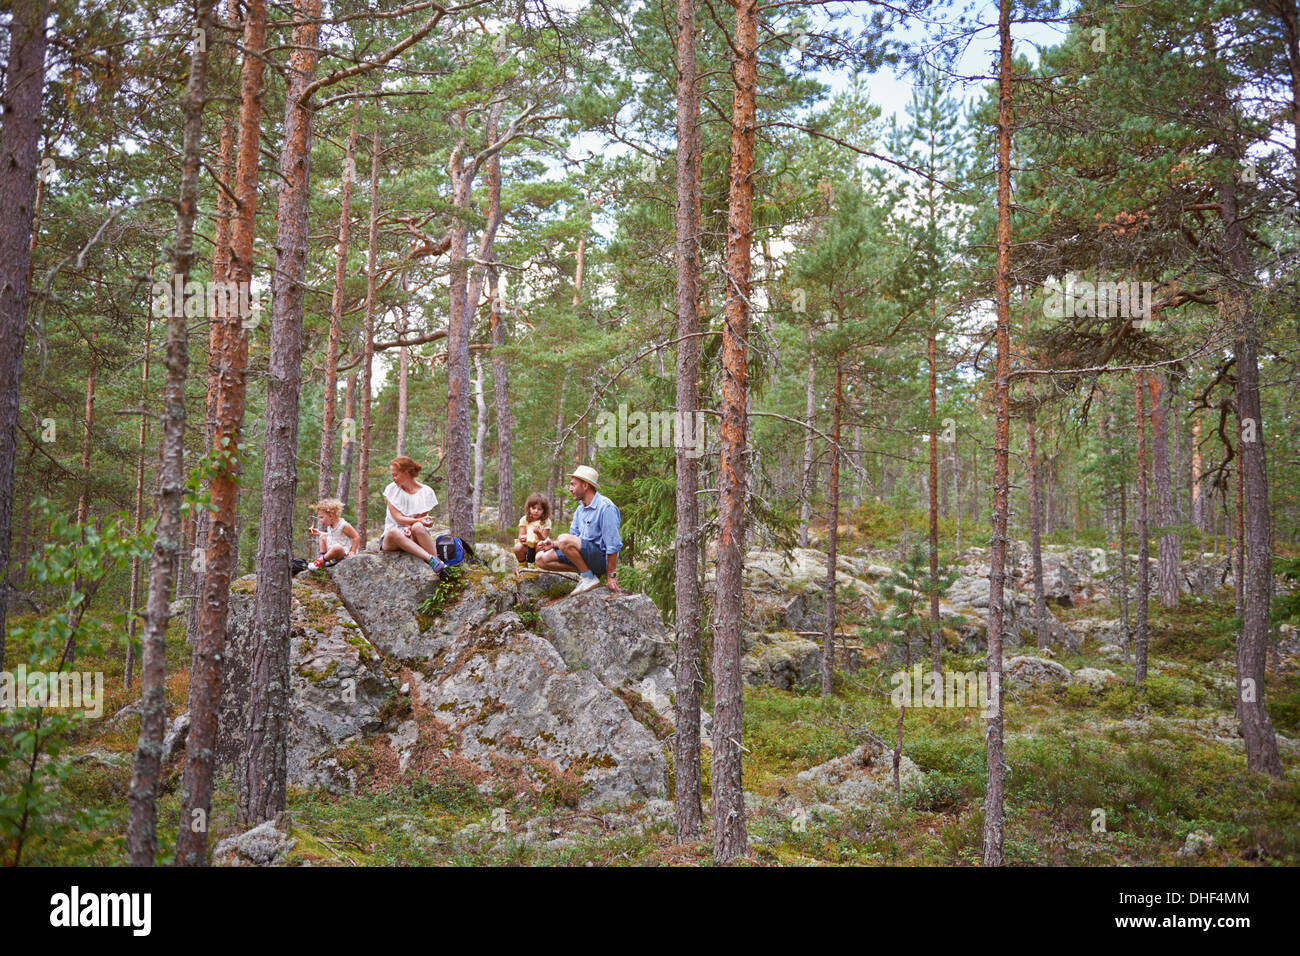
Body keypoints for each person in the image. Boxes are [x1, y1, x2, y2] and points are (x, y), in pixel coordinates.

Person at [535, 465, 622, 595]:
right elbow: (573, 541)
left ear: (585, 485)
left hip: (600, 559)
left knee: (563, 539)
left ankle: (588, 577)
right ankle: (588, 575)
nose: (570, 489)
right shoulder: (580, 509)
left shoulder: (606, 507)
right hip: (585, 554)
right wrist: (553, 544)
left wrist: (611, 576)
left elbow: (613, 545)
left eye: (573, 485)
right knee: (541, 558)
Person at [380, 454, 447, 576]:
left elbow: (419, 520)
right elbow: (397, 518)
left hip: (413, 535)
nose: (392, 478)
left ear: (406, 473)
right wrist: (417, 522)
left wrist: (410, 527)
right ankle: (431, 559)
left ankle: (440, 567)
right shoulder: (392, 489)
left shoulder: (426, 492)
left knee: (418, 527)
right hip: (393, 539)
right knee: (394, 531)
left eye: (395, 475)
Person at [307, 498, 359, 569]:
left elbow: (356, 537)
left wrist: (352, 551)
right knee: (322, 536)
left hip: (343, 553)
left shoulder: (344, 525)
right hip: (333, 550)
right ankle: (323, 558)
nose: (320, 520)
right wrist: (319, 533)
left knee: (337, 547)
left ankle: (320, 562)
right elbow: (333, 536)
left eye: (321, 517)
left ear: (331, 516)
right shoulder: (330, 525)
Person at [514, 492, 552, 567]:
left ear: (544, 511)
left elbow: (544, 538)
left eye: (539, 509)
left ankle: (538, 565)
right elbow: (521, 535)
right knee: (518, 547)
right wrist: (523, 538)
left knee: (541, 545)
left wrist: (538, 533)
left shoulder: (546, 521)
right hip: (527, 546)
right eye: (533, 508)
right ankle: (522, 565)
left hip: (539, 546)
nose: (536, 511)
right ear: (529, 508)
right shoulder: (524, 519)